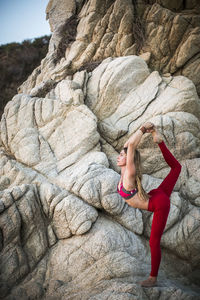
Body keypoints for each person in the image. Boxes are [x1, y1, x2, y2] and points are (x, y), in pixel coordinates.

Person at [117, 122, 182, 287]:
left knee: (154, 242)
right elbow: (127, 145)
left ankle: (153, 278)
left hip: (159, 203)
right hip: (156, 194)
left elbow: (131, 145)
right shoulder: (124, 169)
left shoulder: (129, 173)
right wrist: (153, 133)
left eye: (121, 155)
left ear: (129, 159)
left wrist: (143, 129)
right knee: (176, 168)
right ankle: (160, 141)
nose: (118, 157)